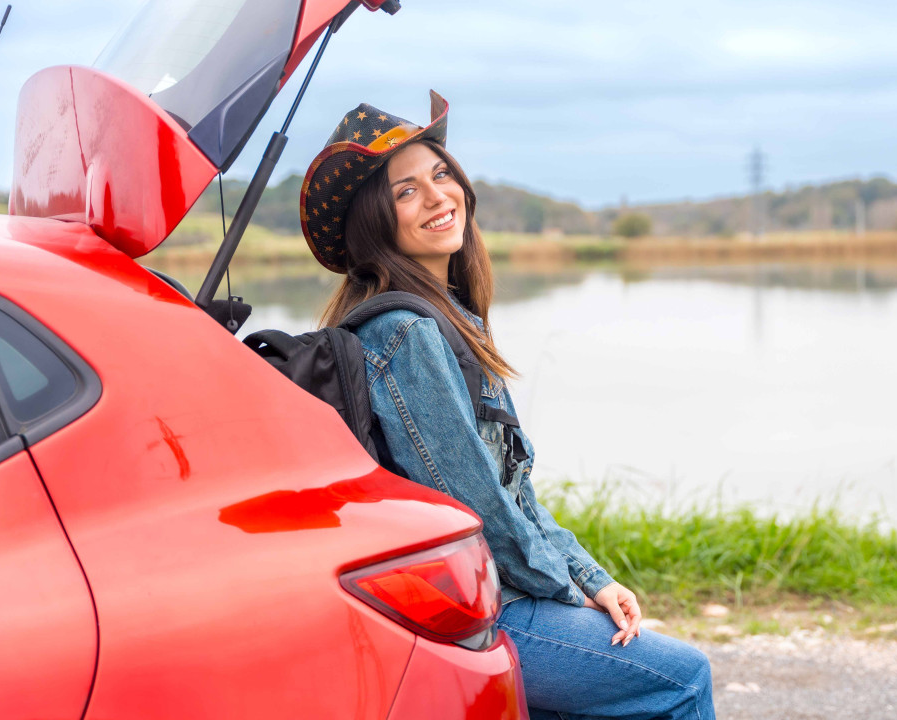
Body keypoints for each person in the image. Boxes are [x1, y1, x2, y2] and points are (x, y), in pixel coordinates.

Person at [300, 92, 716, 719]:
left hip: (493, 592)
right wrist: (565, 592)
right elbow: (474, 504)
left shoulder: (450, 318)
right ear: (374, 221)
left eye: (440, 173)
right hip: (479, 608)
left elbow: (510, 486)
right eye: (406, 191)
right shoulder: (406, 333)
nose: (439, 196)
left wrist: (591, 577)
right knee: (680, 679)